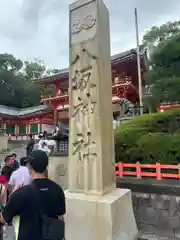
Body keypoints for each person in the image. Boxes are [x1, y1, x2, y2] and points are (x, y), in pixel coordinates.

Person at [1, 150, 66, 240]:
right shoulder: (57, 189)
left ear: (29, 167)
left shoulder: (21, 193)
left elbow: (4, 218)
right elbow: (60, 218)